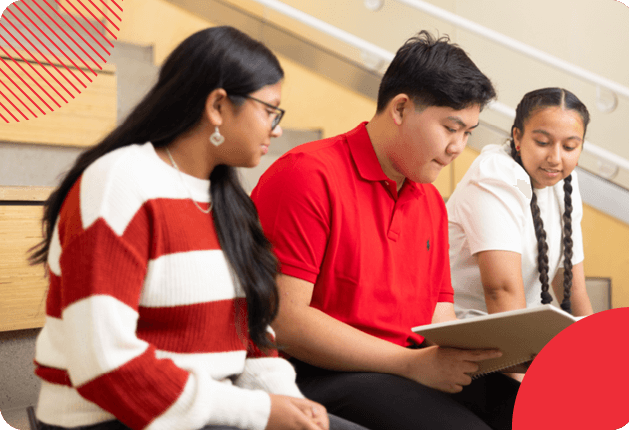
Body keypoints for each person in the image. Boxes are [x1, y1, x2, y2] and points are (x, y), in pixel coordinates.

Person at [29, 26, 368, 430]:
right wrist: (259, 413)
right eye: (269, 110)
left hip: (207, 411)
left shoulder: (228, 201)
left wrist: (293, 405)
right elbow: (106, 364)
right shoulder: (120, 183)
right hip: (111, 418)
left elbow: (254, 344)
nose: (276, 129)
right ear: (218, 106)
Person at [251, 31, 520, 430]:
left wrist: (497, 354)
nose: (457, 147)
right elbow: (285, 321)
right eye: (450, 128)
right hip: (313, 373)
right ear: (400, 109)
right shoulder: (308, 174)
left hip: (404, 366)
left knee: (534, 408)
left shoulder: (427, 198)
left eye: (468, 133)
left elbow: (437, 314)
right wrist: (410, 364)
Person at [446, 87, 594, 320]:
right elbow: (501, 291)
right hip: (466, 325)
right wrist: (526, 354)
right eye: (543, 142)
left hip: (517, 325)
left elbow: (575, 289)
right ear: (517, 137)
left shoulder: (565, 182)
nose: (555, 158)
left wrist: (596, 346)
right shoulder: (495, 174)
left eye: (569, 147)